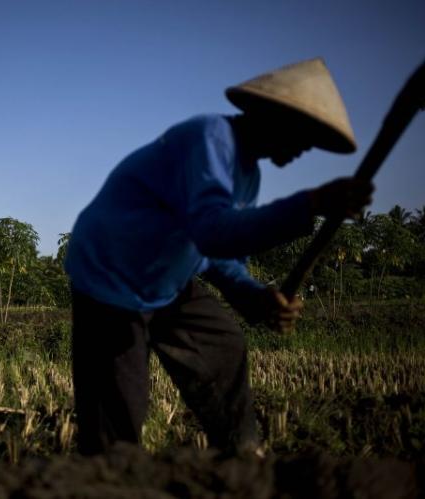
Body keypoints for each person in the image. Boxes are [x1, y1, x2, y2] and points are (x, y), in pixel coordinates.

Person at [63, 58, 374, 456]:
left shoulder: (249, 175)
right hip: (110, 278)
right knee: (118, 410)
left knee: (223, 346)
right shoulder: (209, 137)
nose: (303, 149)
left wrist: (255, 296)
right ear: (272, 115)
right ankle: (111, 472)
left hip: (166, 280)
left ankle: (241, 458)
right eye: (302, 135)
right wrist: (310, 204)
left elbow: (222, 257)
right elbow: (212, 232)